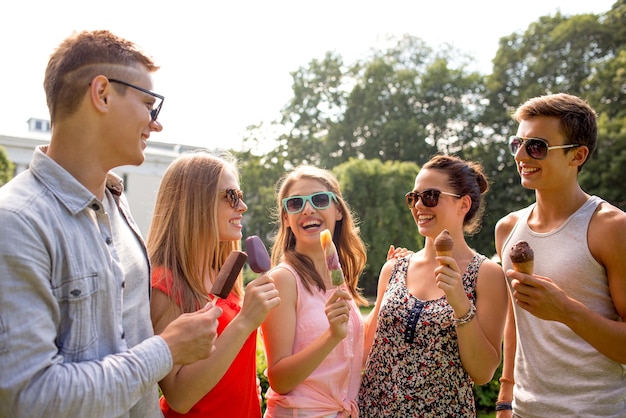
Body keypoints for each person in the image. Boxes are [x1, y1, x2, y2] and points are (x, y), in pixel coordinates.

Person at [0, 30, 221, 417]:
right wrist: (167, 350)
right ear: (102, 93)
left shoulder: (116, 202)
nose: (156, 124)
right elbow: (30, 399)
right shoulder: (16, 222)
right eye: (149, 105)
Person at [495, 93, 626, 417]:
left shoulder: (611, 228)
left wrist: (566, 310)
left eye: (536, 146)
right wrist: (506, 394)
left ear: (577, 155)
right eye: (517, 144)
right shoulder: (507, 228)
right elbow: (515, 318)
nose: (521, 156)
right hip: (525, 410)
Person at [358, 154, 508, 417]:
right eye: (412, 198)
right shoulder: (393, 269)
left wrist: (461, 305)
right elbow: (366, 345)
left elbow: (483, 372)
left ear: (463, 204)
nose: (418, 206)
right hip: (374, 410)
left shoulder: (487, 274)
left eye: (430, 196)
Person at [148, 151, 280, 417]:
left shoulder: (222, 272)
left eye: (240, 196)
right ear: (194, 203)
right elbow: (180, 397)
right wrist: (244, 322)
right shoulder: (163, 283)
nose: (241, 206)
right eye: (231, 196)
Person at [261, 165, 368, 417]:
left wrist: (386, 287)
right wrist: (331, 334)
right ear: (286, 218)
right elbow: (280, 380)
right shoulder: (283, 279)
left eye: (319, 199)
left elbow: (353, 351)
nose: (307, 209)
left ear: (338, 210)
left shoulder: (339, 277)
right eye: (295, 203)